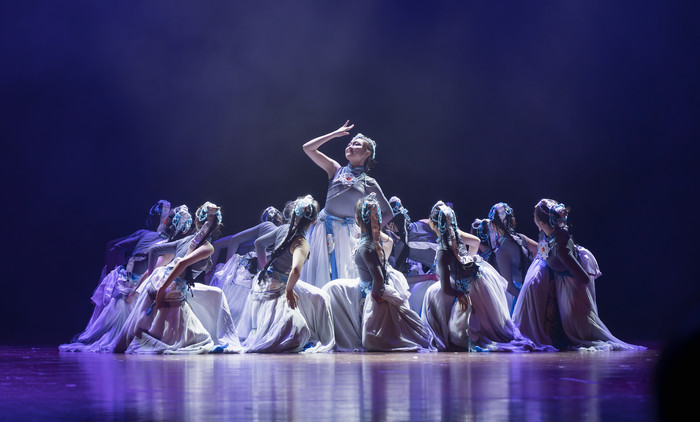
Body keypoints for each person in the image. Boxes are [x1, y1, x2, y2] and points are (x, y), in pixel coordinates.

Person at [512, 199, 645, 351]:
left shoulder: (561, 244)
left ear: (542, 223)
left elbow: (582, 277)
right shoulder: (544, 235)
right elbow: (543, 257)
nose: (533, 218)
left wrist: (569, 283)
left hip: (571, 289)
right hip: (558, 284)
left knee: (580, 330)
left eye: (534, 216)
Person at [112, 202, 241, 354]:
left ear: (196, 221)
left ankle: (214, 333)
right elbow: (181, 263)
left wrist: (152, 277)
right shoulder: (207, 247)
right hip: (171, 284)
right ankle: (217, 335)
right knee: (198, 337)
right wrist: (161, 288)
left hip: (163, 278)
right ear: (217, 225)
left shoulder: (186, 240)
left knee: (216, 293)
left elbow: (153, 250)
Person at [59, 203, 189, 352]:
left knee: (112, 325)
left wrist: (117, 272)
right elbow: (146, 270)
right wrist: (124, 279)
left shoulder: (150, 236)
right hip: (130, 285)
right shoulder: (164, 244)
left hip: (127, 283)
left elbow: (114, 247)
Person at [421, 201, 539, 352]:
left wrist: (460, 293)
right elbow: (475, 242)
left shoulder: (443, 253)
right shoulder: (457, 233)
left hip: (465, 286)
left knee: (431, 295)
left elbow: (446, 289)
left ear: (433, 224)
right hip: (479, 278)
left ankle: (443, 334)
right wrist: (467, 259)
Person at [322, 193, 434, 352]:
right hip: (366, 284)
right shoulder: (371, 240)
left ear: (358, 220)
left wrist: (374, 298)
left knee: (373, 339)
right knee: (332, 289)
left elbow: (378, 279)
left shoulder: (367, 246)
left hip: (374, 292)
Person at [300, 121, 393, 288]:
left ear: (367, 152)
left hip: (348, 235)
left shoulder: (368, 182)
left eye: (356, 144)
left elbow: (388, 212)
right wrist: (334, 134)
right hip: (323, 230)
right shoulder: (335, 169)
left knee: (343, 279)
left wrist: (370, 231)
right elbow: (308, 148)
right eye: (349, 143)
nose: (350, 146)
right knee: (318, 275)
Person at [243, 195, 335, 353]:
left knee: (319, 296)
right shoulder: (301, 243)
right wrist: (289, 290)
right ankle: (327, 339)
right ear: (313, 221)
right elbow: (296, 270)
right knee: (298, 328)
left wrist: (264, 268)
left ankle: (318, 331)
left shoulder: (283, 229)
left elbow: (259, 244)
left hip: (266, 280)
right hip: (280, 285)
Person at [385, 196, 439, 314]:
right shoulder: (422, 222)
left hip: (442, 274)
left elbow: (402, 278)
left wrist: (430, 277)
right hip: (449, 266)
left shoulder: (401, 247)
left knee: (414, 302)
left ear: (392, 225)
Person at [487, 202, 538, 315]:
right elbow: (541, 250)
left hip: (525, 296)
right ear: (512, 221)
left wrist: (528, 300)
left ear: (493, 226)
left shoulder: (501, 252)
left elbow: (509, 287)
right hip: (538, 286)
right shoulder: (522, 238)